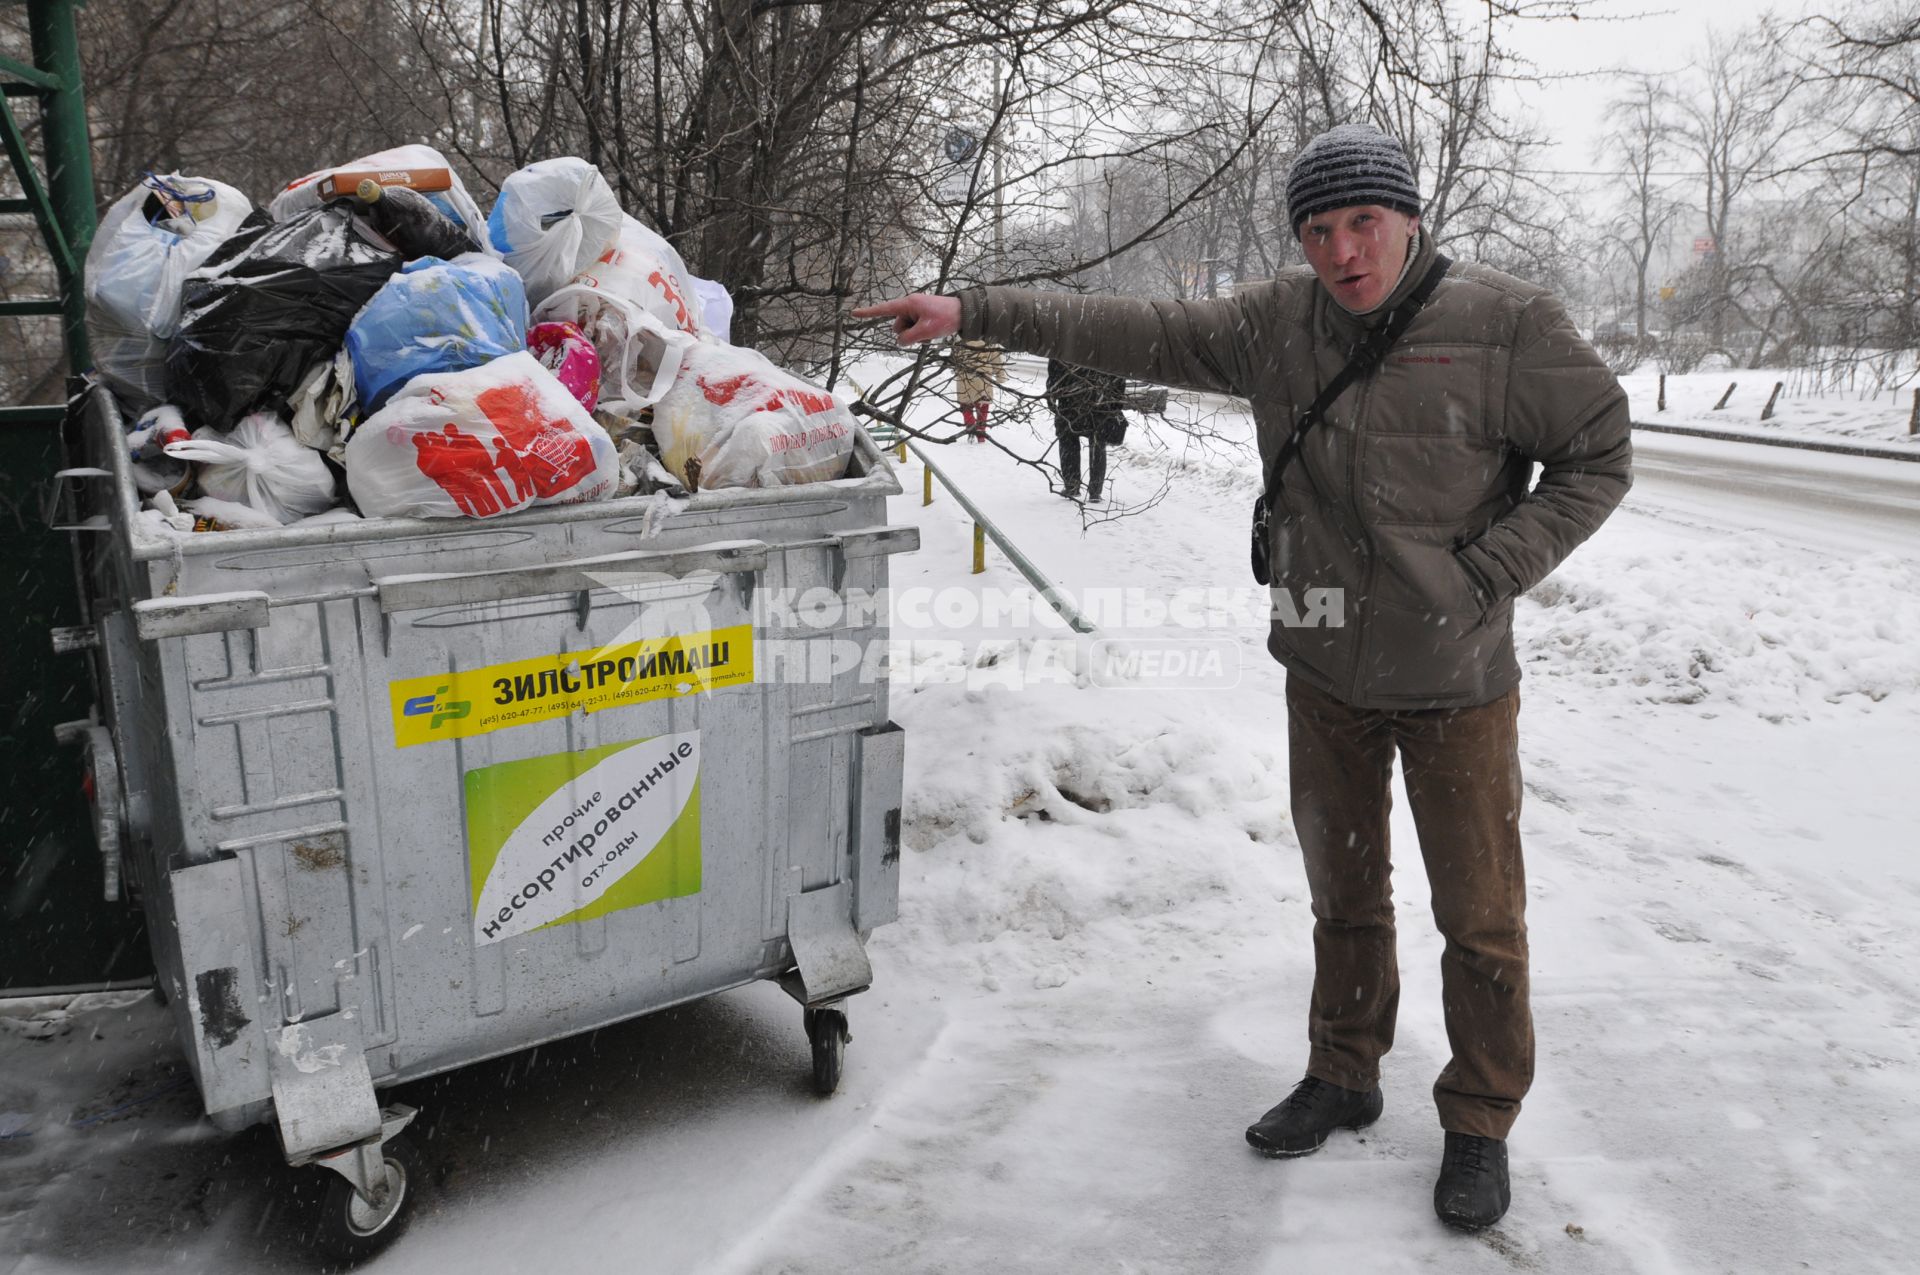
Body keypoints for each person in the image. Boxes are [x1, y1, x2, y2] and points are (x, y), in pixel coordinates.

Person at [853, 121, 1632, 1232]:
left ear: (1409, 217)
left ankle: (1479, 1119)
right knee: (1344, 894)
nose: (1342, 252)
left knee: (1481, 914)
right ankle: (1345, 1070)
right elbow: (1136, 327)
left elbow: (1601, 453)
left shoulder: (1507, 324)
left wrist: (1491, 571)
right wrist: (978, 311)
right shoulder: (1279, 322)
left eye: (1363, 222)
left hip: (1455, 677)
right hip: (1322, 666)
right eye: (1318, 230)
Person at [1045, 358, 1125, 502]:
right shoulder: (1108, 344)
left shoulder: (1066, 341)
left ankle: (1072, 486)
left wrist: (1051, 397)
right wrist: (1115, 405)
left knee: (1068, 443)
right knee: (1097, 445)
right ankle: (1095, 492)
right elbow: (1118, 376)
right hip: (1099, 403)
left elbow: (1054, 371)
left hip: (1069, 401)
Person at [951, 338, 1006, 441]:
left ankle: (971, 426)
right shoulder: (989, 339)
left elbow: (954, 358)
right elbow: (996, 359)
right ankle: (981, 433)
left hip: (965, 375)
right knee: (983, 406)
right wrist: (1000, 376)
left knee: (965, 405)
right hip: (983, 376)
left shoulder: (960, 339)